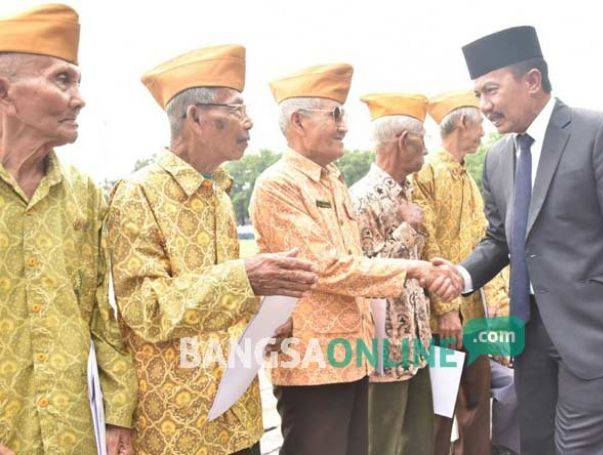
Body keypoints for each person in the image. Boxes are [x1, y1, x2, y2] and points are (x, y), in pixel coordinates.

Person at [457, 26, 603, 454]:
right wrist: (460, 275)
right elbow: (500, 239)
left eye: (491, 90)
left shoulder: (599, 133)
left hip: (592, 337)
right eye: (477, 94)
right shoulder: (497, 157)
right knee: (536, 447)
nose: (484, 106)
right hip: (529, 340)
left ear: (532, 80)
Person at [106, 45, 318, 455]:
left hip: (237, 414)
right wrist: (246, 278)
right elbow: (146, 309)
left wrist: (262, 322)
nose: (249, 121)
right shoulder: (138, 194)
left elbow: (220, 299)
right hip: (177, 425)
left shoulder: (218, 192)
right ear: (196, 117)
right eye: (236, 109)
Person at [249, 63, 463, 455]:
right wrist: (412, 267)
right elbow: (325, 266)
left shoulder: (332, 180)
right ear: (297, 121)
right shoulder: (279, 184)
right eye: (334, 114)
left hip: (355, 356)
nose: (344, 125)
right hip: (312, 365)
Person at [0, 4, 137, 454]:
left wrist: (119, 415)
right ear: (5, 92)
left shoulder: (83, 195)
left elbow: (102, 310)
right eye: (62, 79)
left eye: (77, 81)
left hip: (70, 433)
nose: (79, 98)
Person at [412, 89, 509, 455]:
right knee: (440, 410)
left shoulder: (469, 178)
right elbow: (427, 243)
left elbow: (490, 247)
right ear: (463, 122)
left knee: (477, 406)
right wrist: (445, 308)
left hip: (477, 318)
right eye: (479, 122)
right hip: (445, 321)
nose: (483, 129)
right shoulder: (426, 171)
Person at [350, 92, 434, 455]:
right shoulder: (362, 198)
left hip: (416, 339)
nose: (426, 151)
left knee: (419, 438)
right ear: (404, 141)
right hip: (385, 346)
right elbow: (364, 271)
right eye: (423, 142)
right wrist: (407, 229)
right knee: (381, 441)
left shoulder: (409, 192)